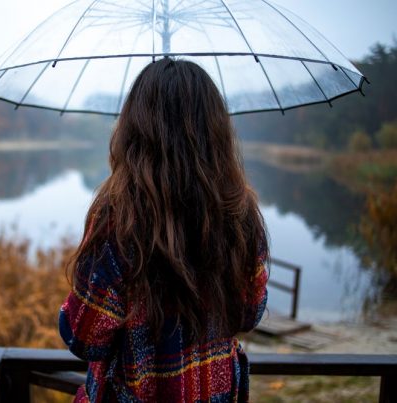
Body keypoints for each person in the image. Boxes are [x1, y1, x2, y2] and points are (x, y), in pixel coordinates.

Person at [59, 58, 269, 403]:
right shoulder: (241, 212)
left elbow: (85, 337)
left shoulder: (117, 218)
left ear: (133, 129)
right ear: (216, 130)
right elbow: (250, 313)